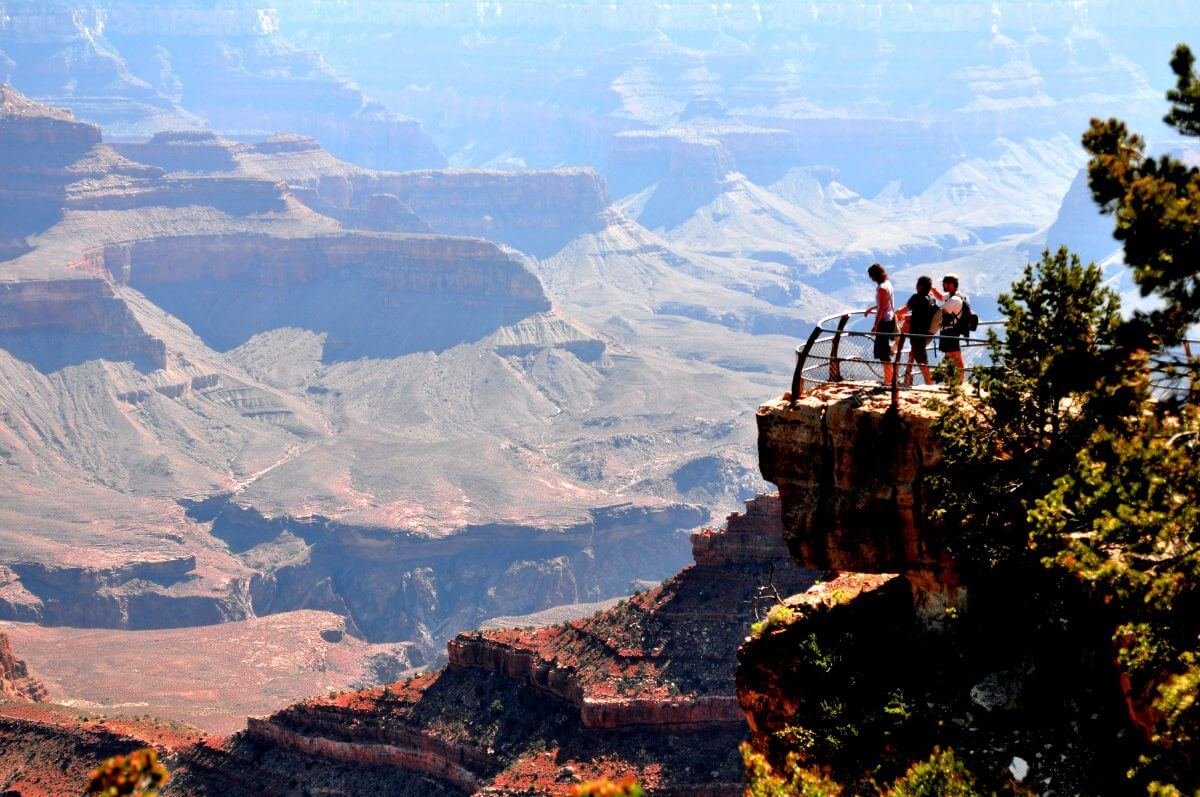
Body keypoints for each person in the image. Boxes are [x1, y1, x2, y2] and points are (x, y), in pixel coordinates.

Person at [897, 275, 936, 385]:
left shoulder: (916, 297)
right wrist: (910, 317)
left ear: (919, 286)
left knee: (922, 361)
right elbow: (923, 314)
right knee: (913, 354)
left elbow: (903, 310)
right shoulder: (931, 299)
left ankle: (930, 384)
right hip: (928, 333)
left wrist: (896, 314)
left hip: (917, 334)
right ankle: (908, 380)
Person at [863, 263, 897, 385]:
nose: (871, 279)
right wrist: (871, 308)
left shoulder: (882, 287)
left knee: (883, 353)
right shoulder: (888, 284)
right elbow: (884, 303)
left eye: (871, 276)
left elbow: (882, 308)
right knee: (884, 351)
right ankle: (890, 380)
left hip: (884, 322)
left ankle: (889, 382)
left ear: (875, 275)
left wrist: (875, 325)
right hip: (889, 320)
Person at [932, 273, 967, 382]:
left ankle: (959, 381)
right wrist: (932, 289)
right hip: (948, 330)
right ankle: (952, 381)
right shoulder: (951, 296)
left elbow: (942, 311)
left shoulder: (955, 299)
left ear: (951, 284)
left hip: (951, 331)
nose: (943, 285)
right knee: (950, 357)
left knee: (955, 356)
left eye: (945, 283)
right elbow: (941, 297)